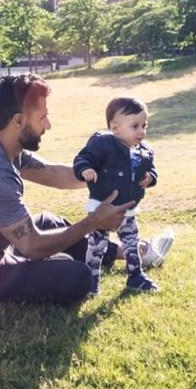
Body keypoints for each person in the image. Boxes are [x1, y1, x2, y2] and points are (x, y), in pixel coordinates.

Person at [0, 74, 133, 304]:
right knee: (77, 277)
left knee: (50, 223)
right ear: (18, 121)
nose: (48, 125)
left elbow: (51, 173)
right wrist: (93, 222)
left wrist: (110, 177)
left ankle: (130, 252)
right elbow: (31, 245)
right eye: (43, 118)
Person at [74, 97, 160, 294]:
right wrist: (85, 169)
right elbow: (83, 158)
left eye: (144, 125)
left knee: (131, 244)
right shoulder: (103, 144)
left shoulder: (145, 151)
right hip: (101, 208)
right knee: (97, 247)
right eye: (135, 126)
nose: (141, 132)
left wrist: (151, 178)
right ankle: (91, 281)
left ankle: (135, 276)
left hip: (127, 209)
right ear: (115, 128)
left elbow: (152, 170)